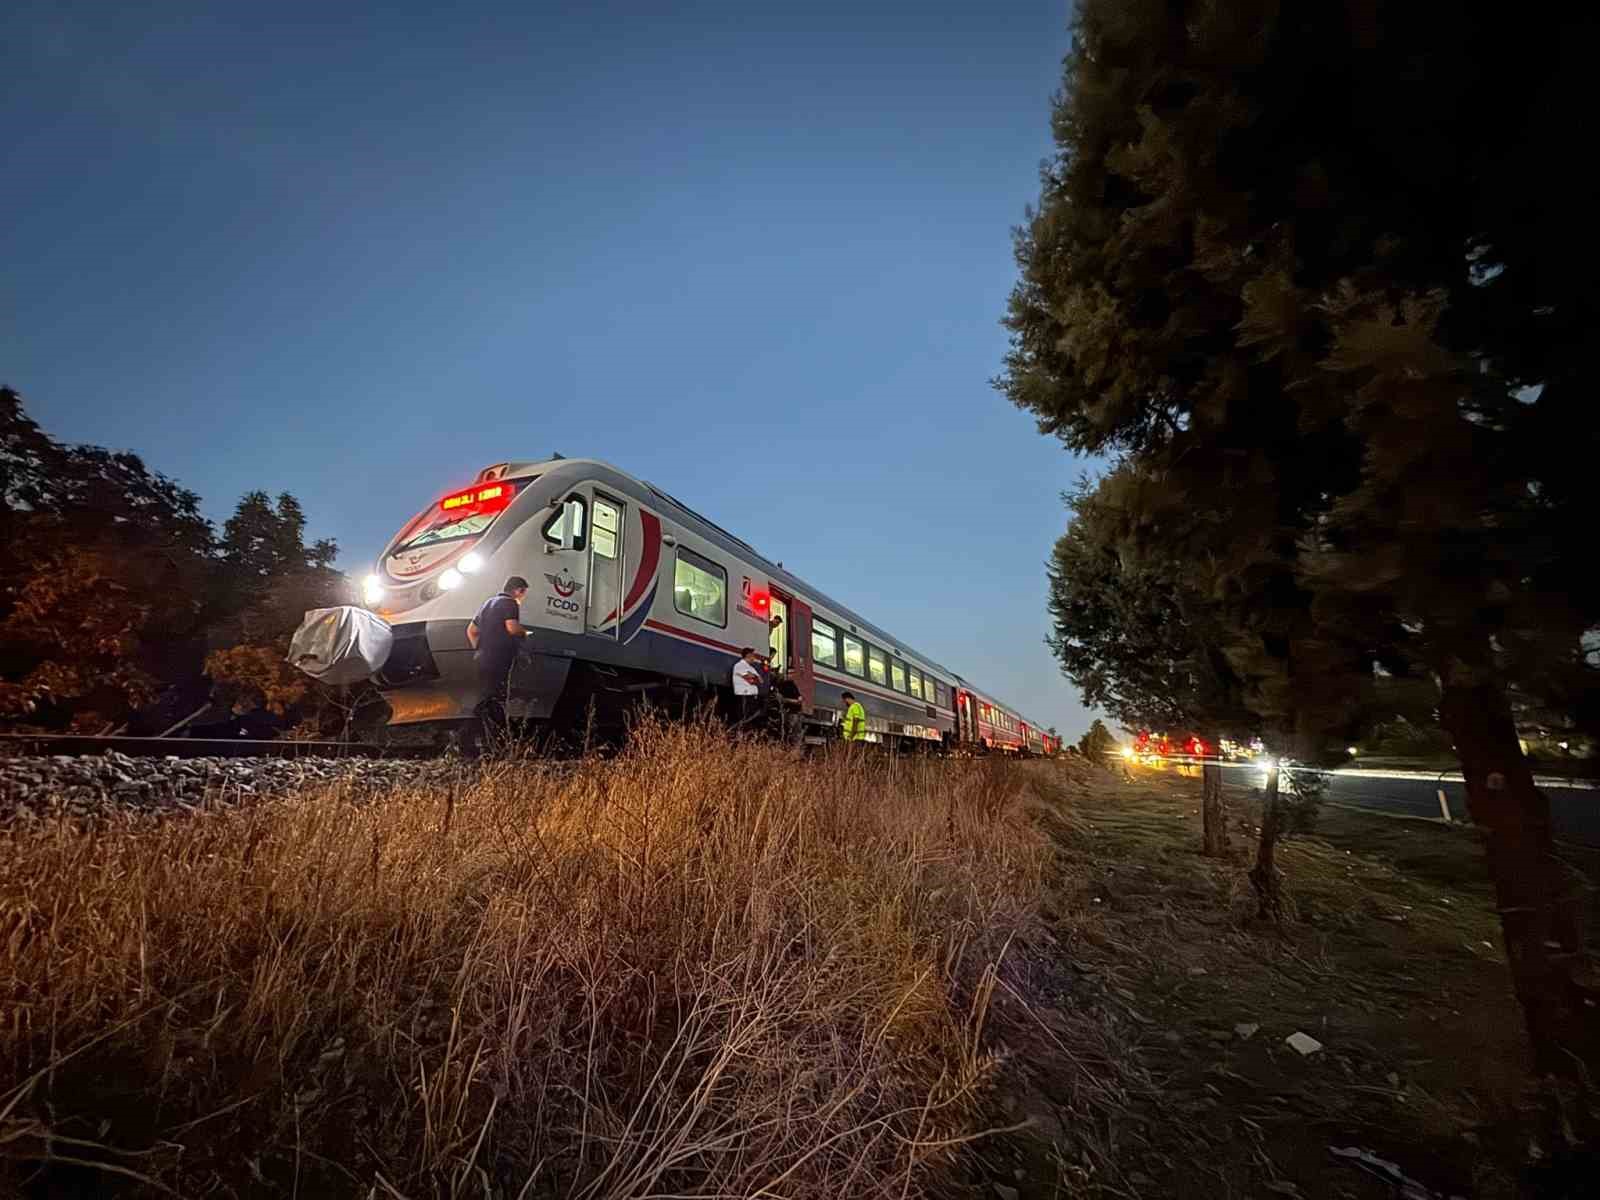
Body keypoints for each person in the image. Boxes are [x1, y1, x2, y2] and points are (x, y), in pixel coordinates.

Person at [467, 576, 530, 737]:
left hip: (482, 658)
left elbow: (471, 631)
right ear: (518, 590)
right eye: (523, 593)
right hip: (499, 658)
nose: (523, 597)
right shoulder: (511, 603)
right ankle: (492, 736)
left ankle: (482, 735)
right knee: (495, 697)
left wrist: (480, 649)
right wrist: (525, 633)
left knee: (487, 696)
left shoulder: (488, 603)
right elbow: (512, 628)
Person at [731, 646, 762, 728]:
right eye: (753, 656)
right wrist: (754, 677)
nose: (754, 658)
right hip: (743, 695)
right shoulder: (739, 666)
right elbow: (750, 679)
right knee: (743, 718)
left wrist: (755, 677)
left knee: (751, 719)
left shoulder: (751, 668)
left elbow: (760, 680)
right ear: (748, 655)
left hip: (752, 696)